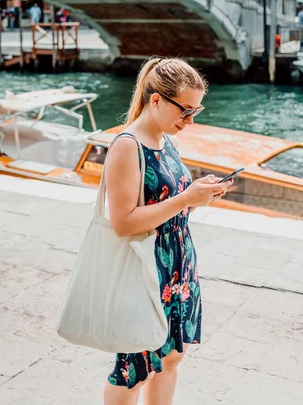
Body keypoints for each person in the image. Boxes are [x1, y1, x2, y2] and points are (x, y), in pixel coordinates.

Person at [104, 57, 233, 404]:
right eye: (185, 110)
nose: (190, 120)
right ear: (157, 99)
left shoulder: (165, 140)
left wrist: (197, 198)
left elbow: (169, 205)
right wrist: (185, 198)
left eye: (196, 110)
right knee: (134, 366)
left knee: (171, 357)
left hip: (179, 264)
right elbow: (123, 222)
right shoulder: (127, 146)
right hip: (147, 269)